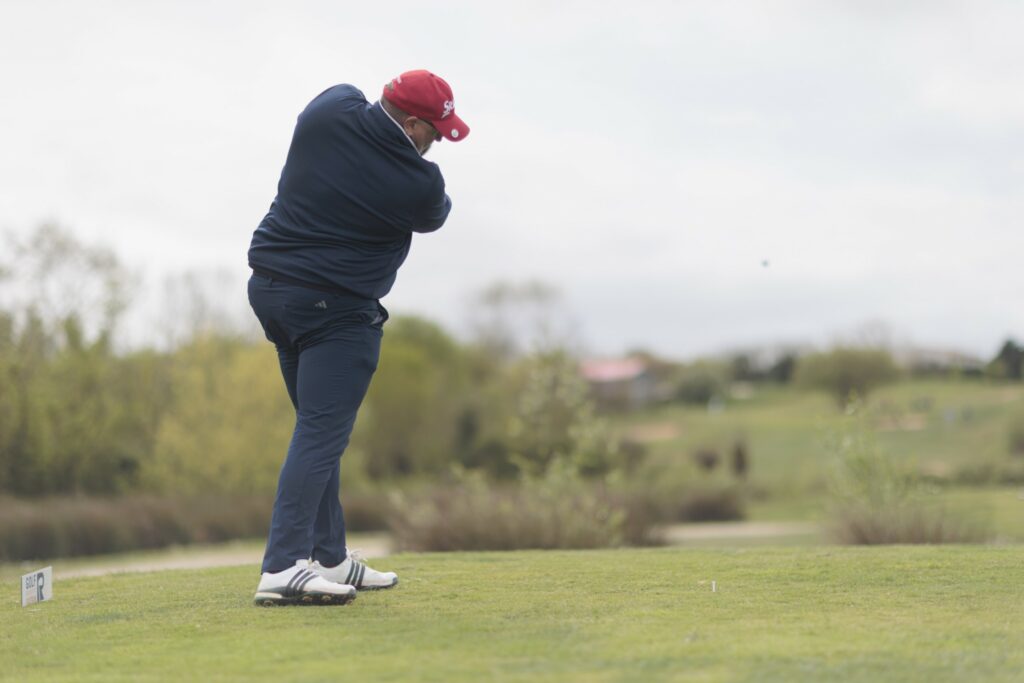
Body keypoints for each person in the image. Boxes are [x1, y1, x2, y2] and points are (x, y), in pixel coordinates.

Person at [247, 70, 469, 606]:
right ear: (411, 125)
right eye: (434, 131)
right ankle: (282, 567)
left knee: (315, 431)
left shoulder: (328, 111)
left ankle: (330, 557)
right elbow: (435, 216)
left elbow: (347, 99)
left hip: (272, 293)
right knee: (320, 434)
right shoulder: (419, 183)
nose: (436, 142)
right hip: (337, 314)